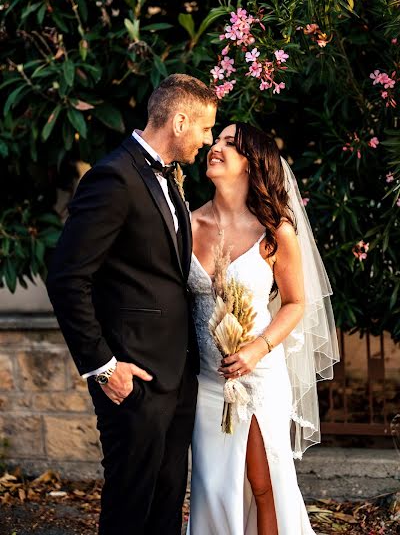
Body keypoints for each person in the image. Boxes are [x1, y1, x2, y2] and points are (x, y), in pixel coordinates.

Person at [46, 74, 217, 535]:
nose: (208, 139)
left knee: (165, 499)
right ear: (180, 121)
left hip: (177, 374)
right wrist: (103, 366)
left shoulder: (168, 179)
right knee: (130, 504)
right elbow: (67, 278)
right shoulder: (114, 178)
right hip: (133, 375)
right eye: (204, 129)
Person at [187, 122, 339, 534]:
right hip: (206, 380)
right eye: (215, 140)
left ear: (253, 164)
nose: (215, 147)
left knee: (263, 482)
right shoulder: (187, 224)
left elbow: (295, 303)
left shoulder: (276, 231)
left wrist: (258, 347)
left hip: (258, 376)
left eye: (229, 144)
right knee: (213, 484)